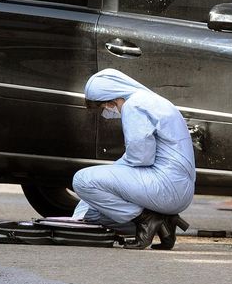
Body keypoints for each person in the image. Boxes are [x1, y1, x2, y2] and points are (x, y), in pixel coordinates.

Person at [72, 69, 195, 250]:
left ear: (113, 96)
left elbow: (141, 157)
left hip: (165, 187)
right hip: (180, 190)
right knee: (95, 207)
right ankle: (164, 222)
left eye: (106, 104)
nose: (108, 109)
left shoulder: (134, 106)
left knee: (82, 180)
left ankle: (147, 220)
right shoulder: (154, 101)